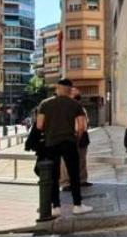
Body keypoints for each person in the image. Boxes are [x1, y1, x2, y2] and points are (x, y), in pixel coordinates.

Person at [38, 78, 92, 215]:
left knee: (54, 175)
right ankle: (77, 205)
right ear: (70, 90)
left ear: (57, 88)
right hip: (69, 142)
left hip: (51, 143)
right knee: (74, 174)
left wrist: (49, 131)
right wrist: (76, 137)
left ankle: (56, 207)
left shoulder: (45, 104)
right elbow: (81, 126)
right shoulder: (75, 105)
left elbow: (39, 125)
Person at [60, 88, 92, 192]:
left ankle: (82, 180)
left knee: (82, 159)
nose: (77, 97)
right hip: (70, 135)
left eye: (78, 95)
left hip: (83, 135)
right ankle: (66, 182)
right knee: (66, 161)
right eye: (74, 95)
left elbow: (86, 121)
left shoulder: (81, 108)